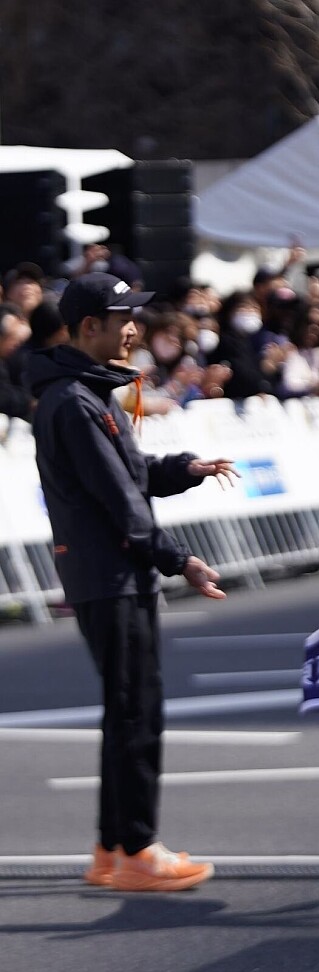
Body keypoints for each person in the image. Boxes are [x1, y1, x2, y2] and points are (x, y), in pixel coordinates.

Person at [27, 272, 239, 893]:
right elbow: (121, 501)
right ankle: (137, 851)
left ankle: (110, 848)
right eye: (122, 319)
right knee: (137, 713)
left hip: (108, 572)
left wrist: (185, 469)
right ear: (88, 326)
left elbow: (132, 472)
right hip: (110, 573)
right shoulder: (74, 401)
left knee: (125, 712)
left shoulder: (84, 394)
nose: (133, 329)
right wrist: (180, 560)